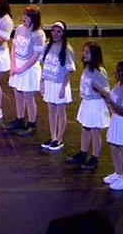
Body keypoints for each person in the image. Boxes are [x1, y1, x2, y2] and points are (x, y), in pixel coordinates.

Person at [94, 60, 123, 191]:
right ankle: (118, 172)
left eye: (117, 70)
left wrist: (108, 100)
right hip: (116, 120)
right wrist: (102, 93)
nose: (114, 72)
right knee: (114, 147)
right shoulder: (119, 85)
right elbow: (113, 101)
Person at [66, 42, 110, 171]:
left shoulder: (99, 72)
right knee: (85, 130)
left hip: (95, 104)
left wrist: (99, 90)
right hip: (87, 102)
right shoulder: (87, 68)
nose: (84, 54)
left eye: (87, 52)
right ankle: (83, 153)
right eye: (83, 52)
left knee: (94, 132)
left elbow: (107, 92)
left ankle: (94, 158)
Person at [4, 5, 45, 136]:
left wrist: (22, 68)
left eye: (27, 17)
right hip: (17, 65)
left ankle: (32, 124)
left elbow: (35, 56)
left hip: (29, 68)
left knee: (29, 97)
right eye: (24, 15)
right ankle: (20, 119)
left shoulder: (39, 34)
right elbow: (14, 47)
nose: (24, 19)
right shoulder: (20, 29)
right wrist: (13, 65)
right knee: (18, 94)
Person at [39, 20, 76, 152]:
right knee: (51, 110)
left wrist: (63, 88)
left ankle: (59, 139)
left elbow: (68, 70)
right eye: (53, 31)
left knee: (60, 111)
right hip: (49, 82)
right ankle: (53, 136)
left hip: (60, 83)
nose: (55, 34)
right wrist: (42, 82)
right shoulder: (47, 46)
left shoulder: (66, 49)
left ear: (63, 33)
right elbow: (43, 65)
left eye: (58, 31)